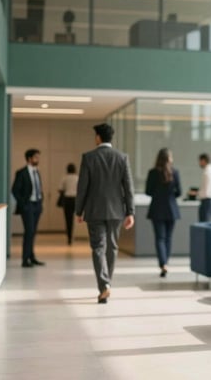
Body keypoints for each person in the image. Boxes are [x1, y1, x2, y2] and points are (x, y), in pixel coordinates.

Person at [75, 123, 135, 304]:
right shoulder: (122, 157)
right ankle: (107, 283)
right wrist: (130, 212)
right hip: (116, 211)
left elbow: (82, 187)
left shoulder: (88, 157)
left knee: (98, 248)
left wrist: (79, 210)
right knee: (112, 248)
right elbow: (128, 188)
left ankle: (104, 285)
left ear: (98, 137)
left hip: (94, 211)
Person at [145, 148, 182, 278]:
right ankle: (166, 262)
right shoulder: (175, 172)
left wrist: (158, 194)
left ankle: (163, 264)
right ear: (169, 158)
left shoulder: (152, 172)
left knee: (160, 238)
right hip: (172, 209)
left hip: (157, 209)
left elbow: (148, 191)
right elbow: (179, 192)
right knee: (168, 238)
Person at [11, 148, 46, 268]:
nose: (38, 159)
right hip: (28, 206)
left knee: (33, 232)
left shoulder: (37, 172)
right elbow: (15, 190)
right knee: (29, 232)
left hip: (37, 205)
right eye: (36, 157)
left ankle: (32, 257)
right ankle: (25, 259)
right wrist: (24, 205)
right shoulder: (21, 173)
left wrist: (41, 202)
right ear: (29, 159)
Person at [194, 153, 211, 222]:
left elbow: (206, 192)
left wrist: (195, 193)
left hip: (206, 202)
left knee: (203, 225)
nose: (199, 163)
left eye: (200, 161)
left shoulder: (207, 172)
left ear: (203, 161)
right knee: (207, 223)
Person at [58, 163, 79, 245]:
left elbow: (60, 189)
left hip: (67, 200)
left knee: (68, 219)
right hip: (76, 199)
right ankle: (75, 235)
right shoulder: (77, 178)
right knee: (76, 219)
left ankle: (69, 237)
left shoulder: (64, 178)